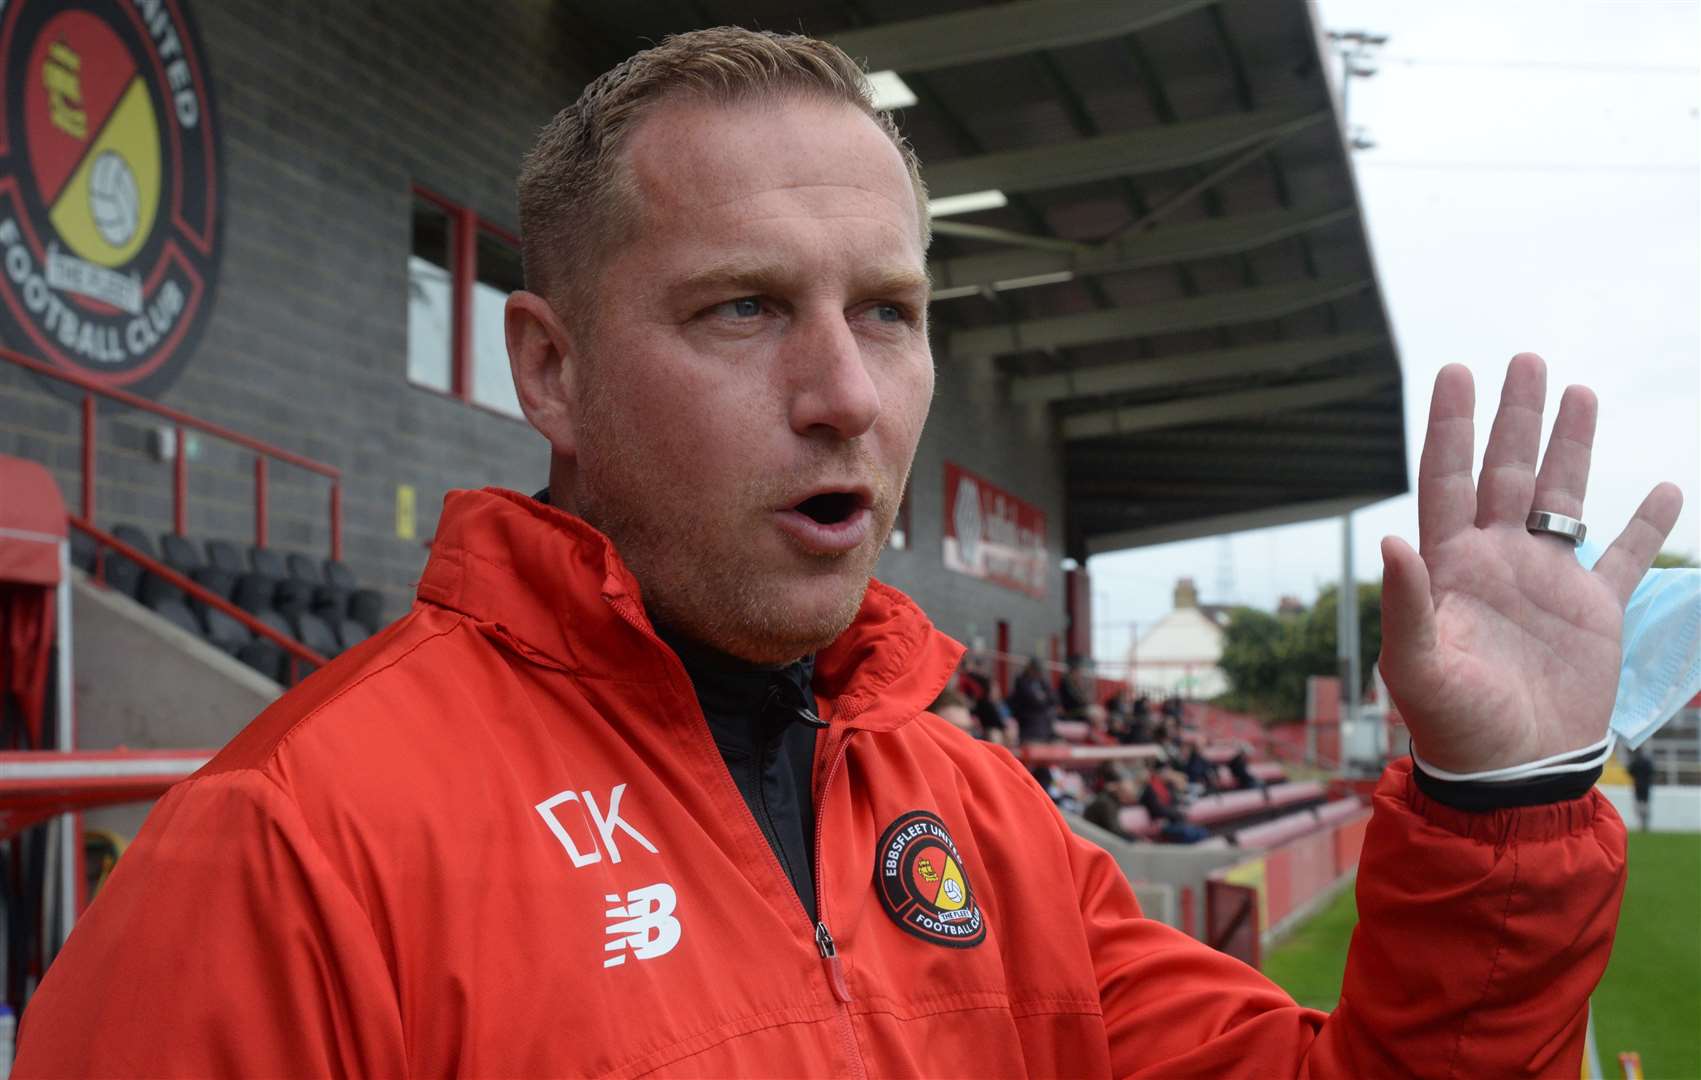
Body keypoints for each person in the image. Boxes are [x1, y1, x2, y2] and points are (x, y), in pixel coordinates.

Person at [16, 27, 1685, 1080]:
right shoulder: (294, 855)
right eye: (742, 309)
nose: (842, 397)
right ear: (550, 370)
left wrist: (1500, 805)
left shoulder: (992, 834)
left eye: (886, 315)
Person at [1007, 656, 1059, 744]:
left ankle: (1047, 736)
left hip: (1042, 719)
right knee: (1041, 715)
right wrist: (1042, 698)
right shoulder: (1022, 681)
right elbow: (1033, 700)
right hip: (1027, 720)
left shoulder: (1042, 682)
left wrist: (1042, 698)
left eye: (1038, 670)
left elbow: (1054, 699)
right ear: (1030, 668)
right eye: (1035, 669)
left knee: (1050, 714)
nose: (1037, 673)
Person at [1628, 747, 1656, 831]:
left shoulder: (1635, 762)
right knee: (1645, 805)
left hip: (1637, 785)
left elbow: (1630, 771)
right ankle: (1645, 823)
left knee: (1639, 805)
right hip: (1646, 786)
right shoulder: (1647, 762)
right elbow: (1652, 772)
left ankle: (1641, 823)